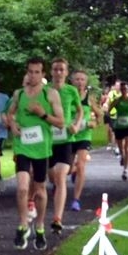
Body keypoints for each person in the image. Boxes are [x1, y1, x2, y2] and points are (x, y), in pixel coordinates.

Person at [7, 57, 64, 251]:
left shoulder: (51, 94)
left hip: (41, 147)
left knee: (39, 188)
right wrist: (13, 123)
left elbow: (61, 122)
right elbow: (10, 114)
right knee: (23, 187)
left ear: (43, 74)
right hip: (22, 146)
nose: (33, 75)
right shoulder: (19, 94)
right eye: (30, 72)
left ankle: (39, 225)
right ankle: (23, 224)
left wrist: (42, 114)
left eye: (37, 72)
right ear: (27, 73)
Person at [48, 58, 83, 235]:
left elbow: (80, 110)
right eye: (56, 69)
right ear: (51, 72)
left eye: (62, 69)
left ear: (66, 72)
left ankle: (57, 219)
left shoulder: (71, 91)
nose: (59, 73)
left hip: (66, 139)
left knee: (61, 176)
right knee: (52, 177)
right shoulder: (45, 91)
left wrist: (76, 125)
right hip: (47, 141)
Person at [70, 70, 102, 212]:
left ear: (86, 82)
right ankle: (73, 171)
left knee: (81, 165)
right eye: (77, 79)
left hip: (84, 135)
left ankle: (76, 199)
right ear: (72, 81)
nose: (80, 82)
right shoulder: (66, 96)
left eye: (82, 79)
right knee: (68, 168)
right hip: (69, 135)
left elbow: (99, 114)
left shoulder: (90, 98)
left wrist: (95, 123)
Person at [109, 82, 128, 180]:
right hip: (119, 126)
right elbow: (109, 109)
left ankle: (125, 171)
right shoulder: (117, 100)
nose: (124, 90)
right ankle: (122, 156)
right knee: (121, 148)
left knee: (127, 148)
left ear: (127, 89)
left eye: (125, 89)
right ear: (120, 90)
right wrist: (112, 119)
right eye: (122, 89)